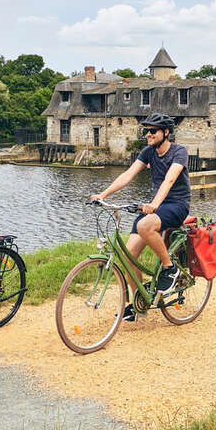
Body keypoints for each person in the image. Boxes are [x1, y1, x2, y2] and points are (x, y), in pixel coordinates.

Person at [90, 112, 190, 322]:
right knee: (128, 256)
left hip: (176, 205)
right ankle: (139, 304)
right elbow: (127, 175)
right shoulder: (148, 152)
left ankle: (169, 268)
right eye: (146, 131)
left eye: (153, 131)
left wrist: (154, 204)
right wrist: (103, 195)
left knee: (145, 226)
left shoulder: (179, 152)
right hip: (155, 208)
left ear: (166, 132)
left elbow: (169, 180)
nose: (148, 134)